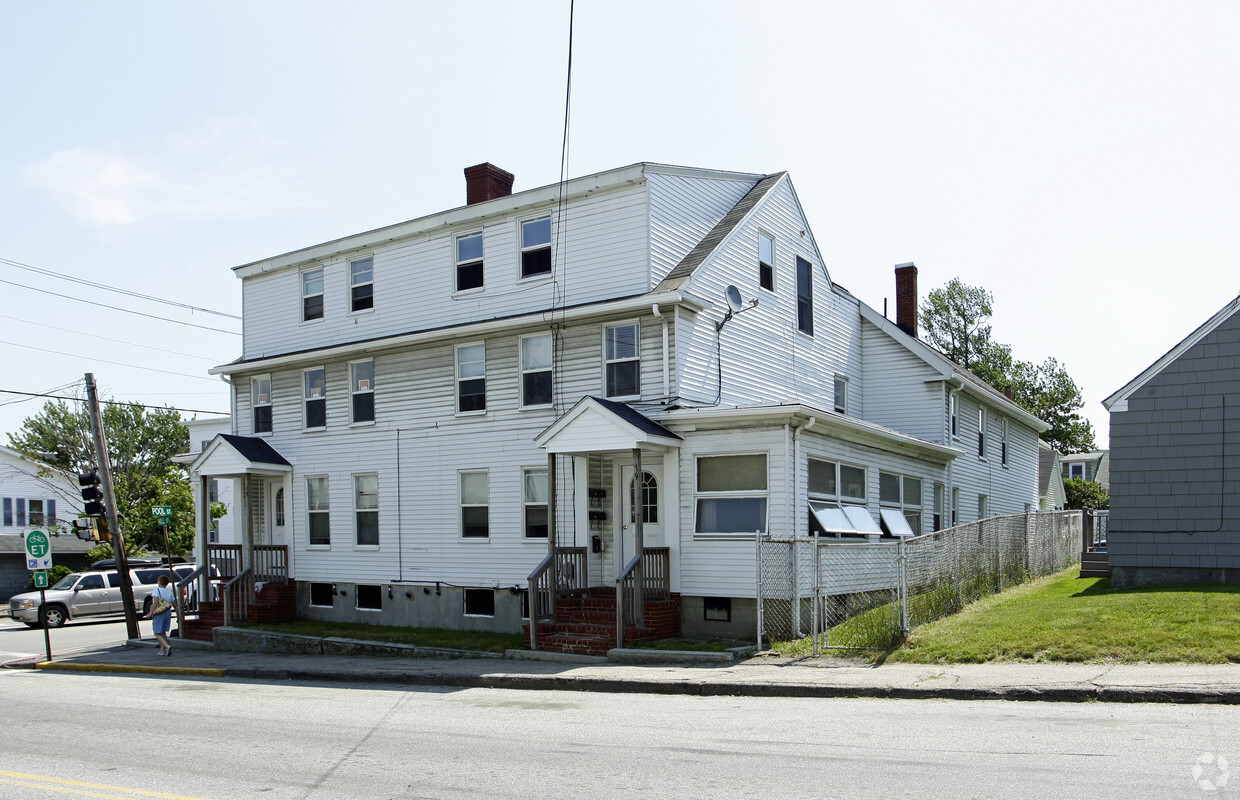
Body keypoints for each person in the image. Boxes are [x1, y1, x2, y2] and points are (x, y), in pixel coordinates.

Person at [150, 575, 176, 657]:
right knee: (163, 632)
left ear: (159, 582)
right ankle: (162, 651)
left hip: (159, 613)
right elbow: (175, 605)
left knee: (157, 633)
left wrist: (151, 612)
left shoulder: (156, 590)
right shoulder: (169, 592)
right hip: (167, 613)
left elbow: (156, 602)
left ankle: (167, 646)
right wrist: (179, 616)